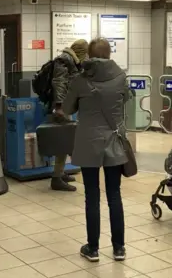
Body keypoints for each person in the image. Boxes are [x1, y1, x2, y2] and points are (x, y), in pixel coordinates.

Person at [63, 38, 130, 262]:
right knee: (114, 195)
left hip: (88, 142)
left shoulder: (80, 80)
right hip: (113, 141)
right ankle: (119, 248)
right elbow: (125, 101)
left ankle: (92, 249)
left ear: (89, 57)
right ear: (110, 55)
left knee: (92, 196)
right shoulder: (121, 78)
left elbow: (67, 108)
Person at [49, 39, 89, 192]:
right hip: (62, 107)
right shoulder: (64, 60)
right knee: (63, 140)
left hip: (66, 105)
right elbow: (58, 82)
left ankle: (60, 173)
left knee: (65, 139)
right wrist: (59, 106)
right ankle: (56, 179)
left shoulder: (71, 60)